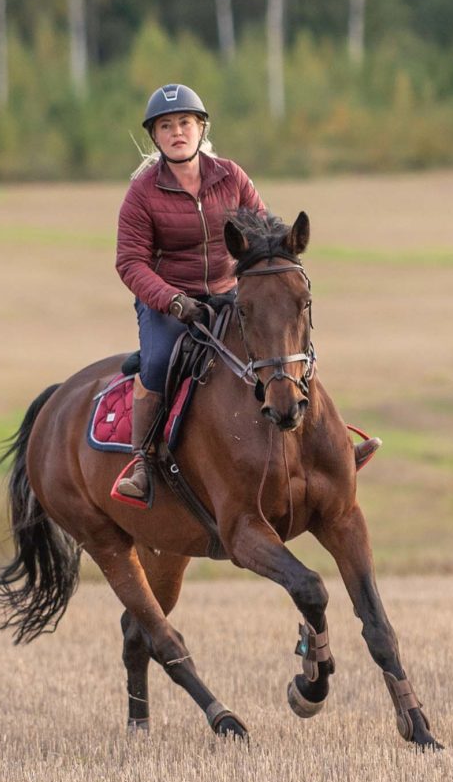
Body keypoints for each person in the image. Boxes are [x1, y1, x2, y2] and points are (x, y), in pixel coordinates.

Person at [114, 82, 380, 502]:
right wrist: (174, 301)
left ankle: (334, 447)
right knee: (160, 361)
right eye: (166, 126)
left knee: (284, 345)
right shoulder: (142, 193)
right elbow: (130, 262)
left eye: (185, 122)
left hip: (229, 293)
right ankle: (142, 462)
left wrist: (283, 252)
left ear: (201, 128)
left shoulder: (231, 176)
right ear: (155, 136)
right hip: (169, 303)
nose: (177, 131)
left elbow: (263, 229)